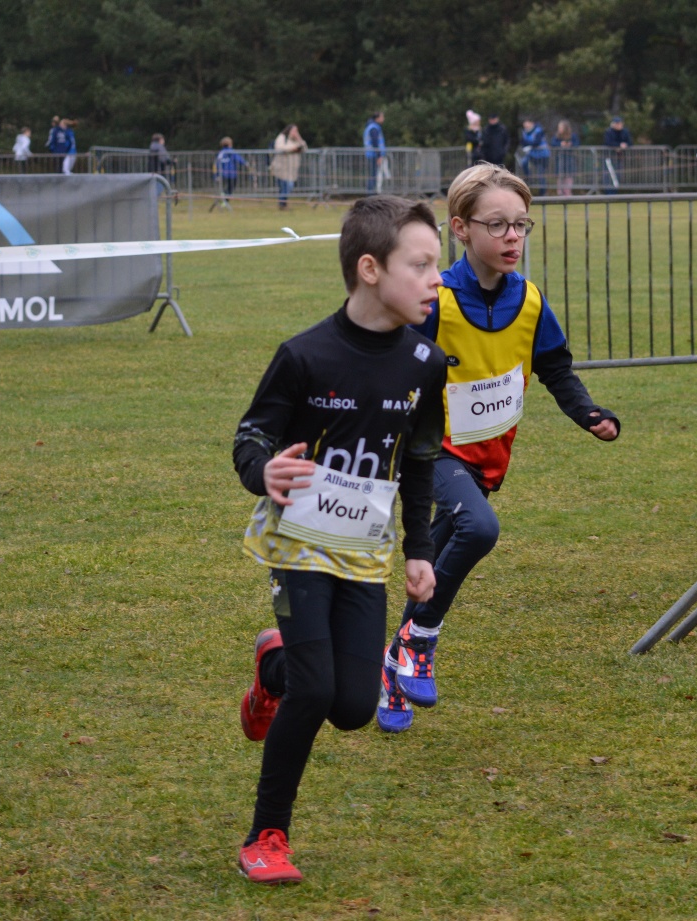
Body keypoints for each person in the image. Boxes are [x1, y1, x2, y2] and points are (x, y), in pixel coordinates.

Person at [232, 195, 449, 884]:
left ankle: (274, 668)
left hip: (363, 549)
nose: (435, 279)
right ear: (368, 269)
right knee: (317, 688)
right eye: (420, 266)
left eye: (436, 265)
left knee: (353, 705)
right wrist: (263, 468)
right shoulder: (303, 355)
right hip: (296, 540)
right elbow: (252, 434)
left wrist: (418, 548)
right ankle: (267, 834)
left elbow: (419, 460)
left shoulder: (425, 362)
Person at [376, 164, 620, 733]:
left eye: (521, 225)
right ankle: (421, 642)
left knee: (432, 569)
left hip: (487, 458)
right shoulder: (434, 301)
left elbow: (555, 368)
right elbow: (390, 368)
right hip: (430, 453)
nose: (513, 237)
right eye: (498, 225)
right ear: (460, 229)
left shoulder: (531, 301)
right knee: (479, 529)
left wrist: (589, 414)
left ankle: (392, 667)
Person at [271, 124, 307, 210]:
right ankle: (282, 205)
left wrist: (298, 138)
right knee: (286, 186)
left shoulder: (296, 140)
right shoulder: (282, 137)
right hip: (281, 168)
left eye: (297, 131)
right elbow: (280, 148)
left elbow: (305, 148)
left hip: (291, 169)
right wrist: (293, 148)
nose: (295, 133)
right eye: (294, 131)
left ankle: (283, 204)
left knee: (287, 187)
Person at [213, 137, 247, 211]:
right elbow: (239, 159)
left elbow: (216, 164)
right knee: (231, 188)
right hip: (232, 174)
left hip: (222, 174)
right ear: (230, 144)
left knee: (226, 187)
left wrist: (215, 175)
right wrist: (246, 163)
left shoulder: (220, 153)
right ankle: (224, 199)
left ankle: (223, 198)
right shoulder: (231, 152)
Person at [519, 119, 550, 196]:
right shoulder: (525, 132)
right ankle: (529, 179)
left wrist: (529, 144)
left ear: (531, 123)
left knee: (540, 174)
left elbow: (536, 142)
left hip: (542, 155)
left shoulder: (539, 131)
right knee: (524, 162)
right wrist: (530, 144)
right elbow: (522, 142)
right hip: (532, 154)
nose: (525, 125)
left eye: (527, 123)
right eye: (524, 123)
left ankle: (543, 193)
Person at [602, 116, 632, 193]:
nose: (619, 125)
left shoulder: (625, 132)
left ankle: (615, 192)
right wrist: (618, 146)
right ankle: (609, 193)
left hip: (619, 157)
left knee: (618, 175)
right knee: (608, 175)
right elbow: (608, 142)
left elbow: (630, 142)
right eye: (617, 123)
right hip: (609, 157)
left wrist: (624, 146)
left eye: (620, 123)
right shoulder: (609, 132)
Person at [553, 119, 579, 196]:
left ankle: (568, 191)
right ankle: (560, 192)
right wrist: (560, 144)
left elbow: (577, 144)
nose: (559, 129)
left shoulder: (572, 135)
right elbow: (553, 143)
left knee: (569, 175)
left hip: (569, 158)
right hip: (560, 158)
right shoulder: (557, 136)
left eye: (560, 127)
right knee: (560, 175)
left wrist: (570, 144)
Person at [363, 112, 387, 194]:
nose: (383, 119)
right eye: (382, 117)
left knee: (373, 175)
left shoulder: (371, 127)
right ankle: (371, 194)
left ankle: (371, 193)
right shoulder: (374, 128)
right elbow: (375, 143)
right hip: (373, 155)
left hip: (372, 154)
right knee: (373, 175)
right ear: (377, 118)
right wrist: (379, 155)